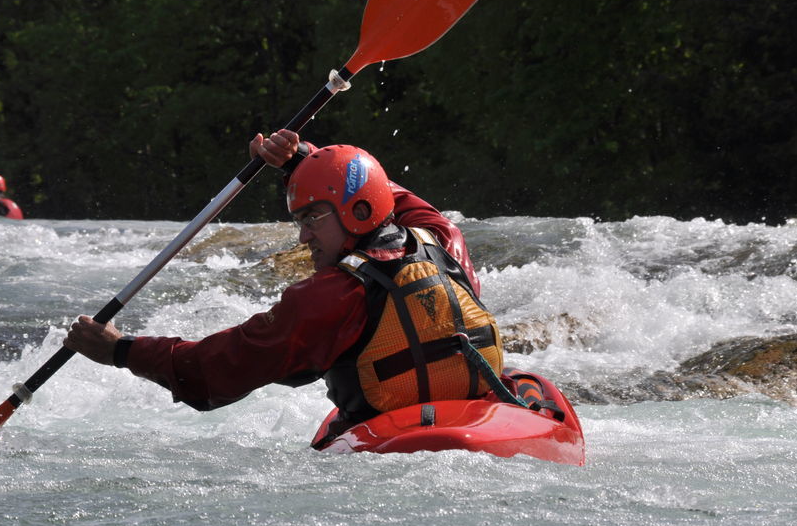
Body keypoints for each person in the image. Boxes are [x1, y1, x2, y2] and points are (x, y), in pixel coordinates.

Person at [65, 130, 531, 442]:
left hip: (394, 448)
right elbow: (390, 196)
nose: (304, 237)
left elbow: (214, 372)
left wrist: (122, 351)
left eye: (312, 218)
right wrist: (305, 160)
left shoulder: (331, 297)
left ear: (360, 211)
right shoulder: (443, 241)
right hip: (483, 423)